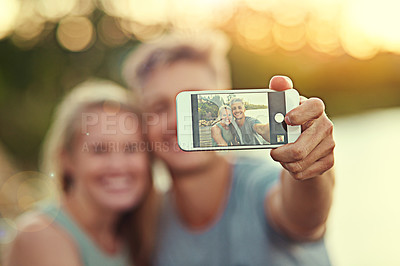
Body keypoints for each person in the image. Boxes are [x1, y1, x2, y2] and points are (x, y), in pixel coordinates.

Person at [122, 32, 335, 265]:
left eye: (197, 102)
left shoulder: (259, 183)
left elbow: (304, 218)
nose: (177, 122)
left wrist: (310, 169)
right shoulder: (147, 220)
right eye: (159, 107)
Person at [4, 80, 158, 266]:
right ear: (66, 159)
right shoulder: (41, 235)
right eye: (99, 150)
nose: (118, 165)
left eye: (132, 148)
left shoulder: (128, 236)